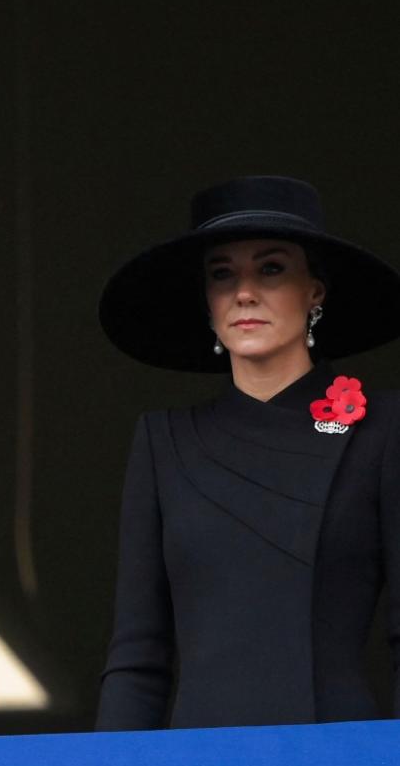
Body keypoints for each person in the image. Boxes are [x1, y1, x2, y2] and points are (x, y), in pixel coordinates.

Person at [97, 176, 400, 730]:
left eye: (272, 268)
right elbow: (138, 660)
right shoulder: (163, 441)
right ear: (208, 303)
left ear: (316, 291)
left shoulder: (383, 431)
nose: (244, 292)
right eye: (222, 274)